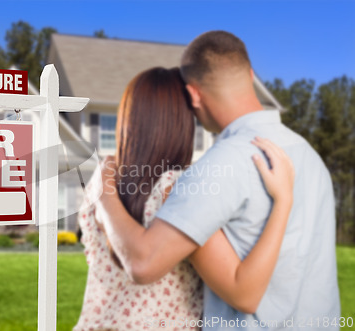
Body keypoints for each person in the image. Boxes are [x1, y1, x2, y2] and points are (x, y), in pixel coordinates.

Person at [94, 31, 340, 331]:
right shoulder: (308, 156)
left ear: (194, 95)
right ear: (250, 74)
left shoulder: (219, 165)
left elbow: (144, 264)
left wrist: (103, 193)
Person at [74, 67, 295, 331]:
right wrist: (283, 201)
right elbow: (244, 294)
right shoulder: (178, 189)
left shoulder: (101, 183)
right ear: (182, 123)